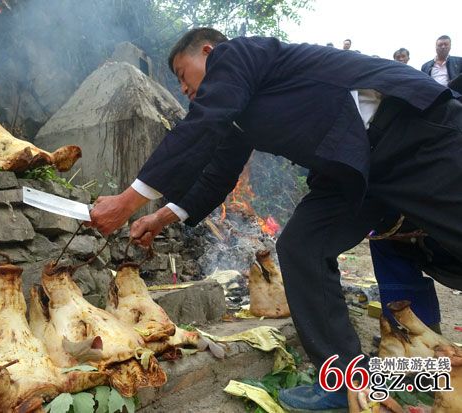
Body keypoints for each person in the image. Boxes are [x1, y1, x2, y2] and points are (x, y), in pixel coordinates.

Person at [89, 27, 462, 411]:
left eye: (183, 75)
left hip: (412, 132)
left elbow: (201, 124)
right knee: (303, 246)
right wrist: (162, 217)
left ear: (208, 51)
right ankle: (344, 381)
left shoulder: (236, 55)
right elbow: (218, 172)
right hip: (355, 168)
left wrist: (127, 201)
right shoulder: (238, 111)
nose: (183, 89)